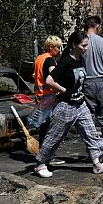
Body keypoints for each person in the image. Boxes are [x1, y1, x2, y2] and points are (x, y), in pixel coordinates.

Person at [33, 30, 103, 178]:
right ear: (75, 45)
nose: (86, 48)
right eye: (83, 45)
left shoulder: (80, 60)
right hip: (65, 106)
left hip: (80, 104)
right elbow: (50, 80)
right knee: (54, 136)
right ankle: (40, 164)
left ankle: (97, 164)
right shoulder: (65, 62)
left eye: (87, 45)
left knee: (91, 133)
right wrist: (63, 90)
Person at [82, 16, 103, 161]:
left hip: (86, 83)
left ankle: (92, 154)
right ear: (97, 26)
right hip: (101, 83)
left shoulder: (81, 43)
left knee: (88, 120)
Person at [31, 35, 64, 163]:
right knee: (50, 128)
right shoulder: (50, 61)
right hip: (48, 97)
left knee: (44, 127)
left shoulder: (39, 58)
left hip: (40, 96)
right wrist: (62, 88)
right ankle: (48, 156)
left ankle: (43, 154)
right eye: (58, 47)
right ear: (51, 47)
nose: (59, 50)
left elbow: (35, 75)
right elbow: (53, 77)